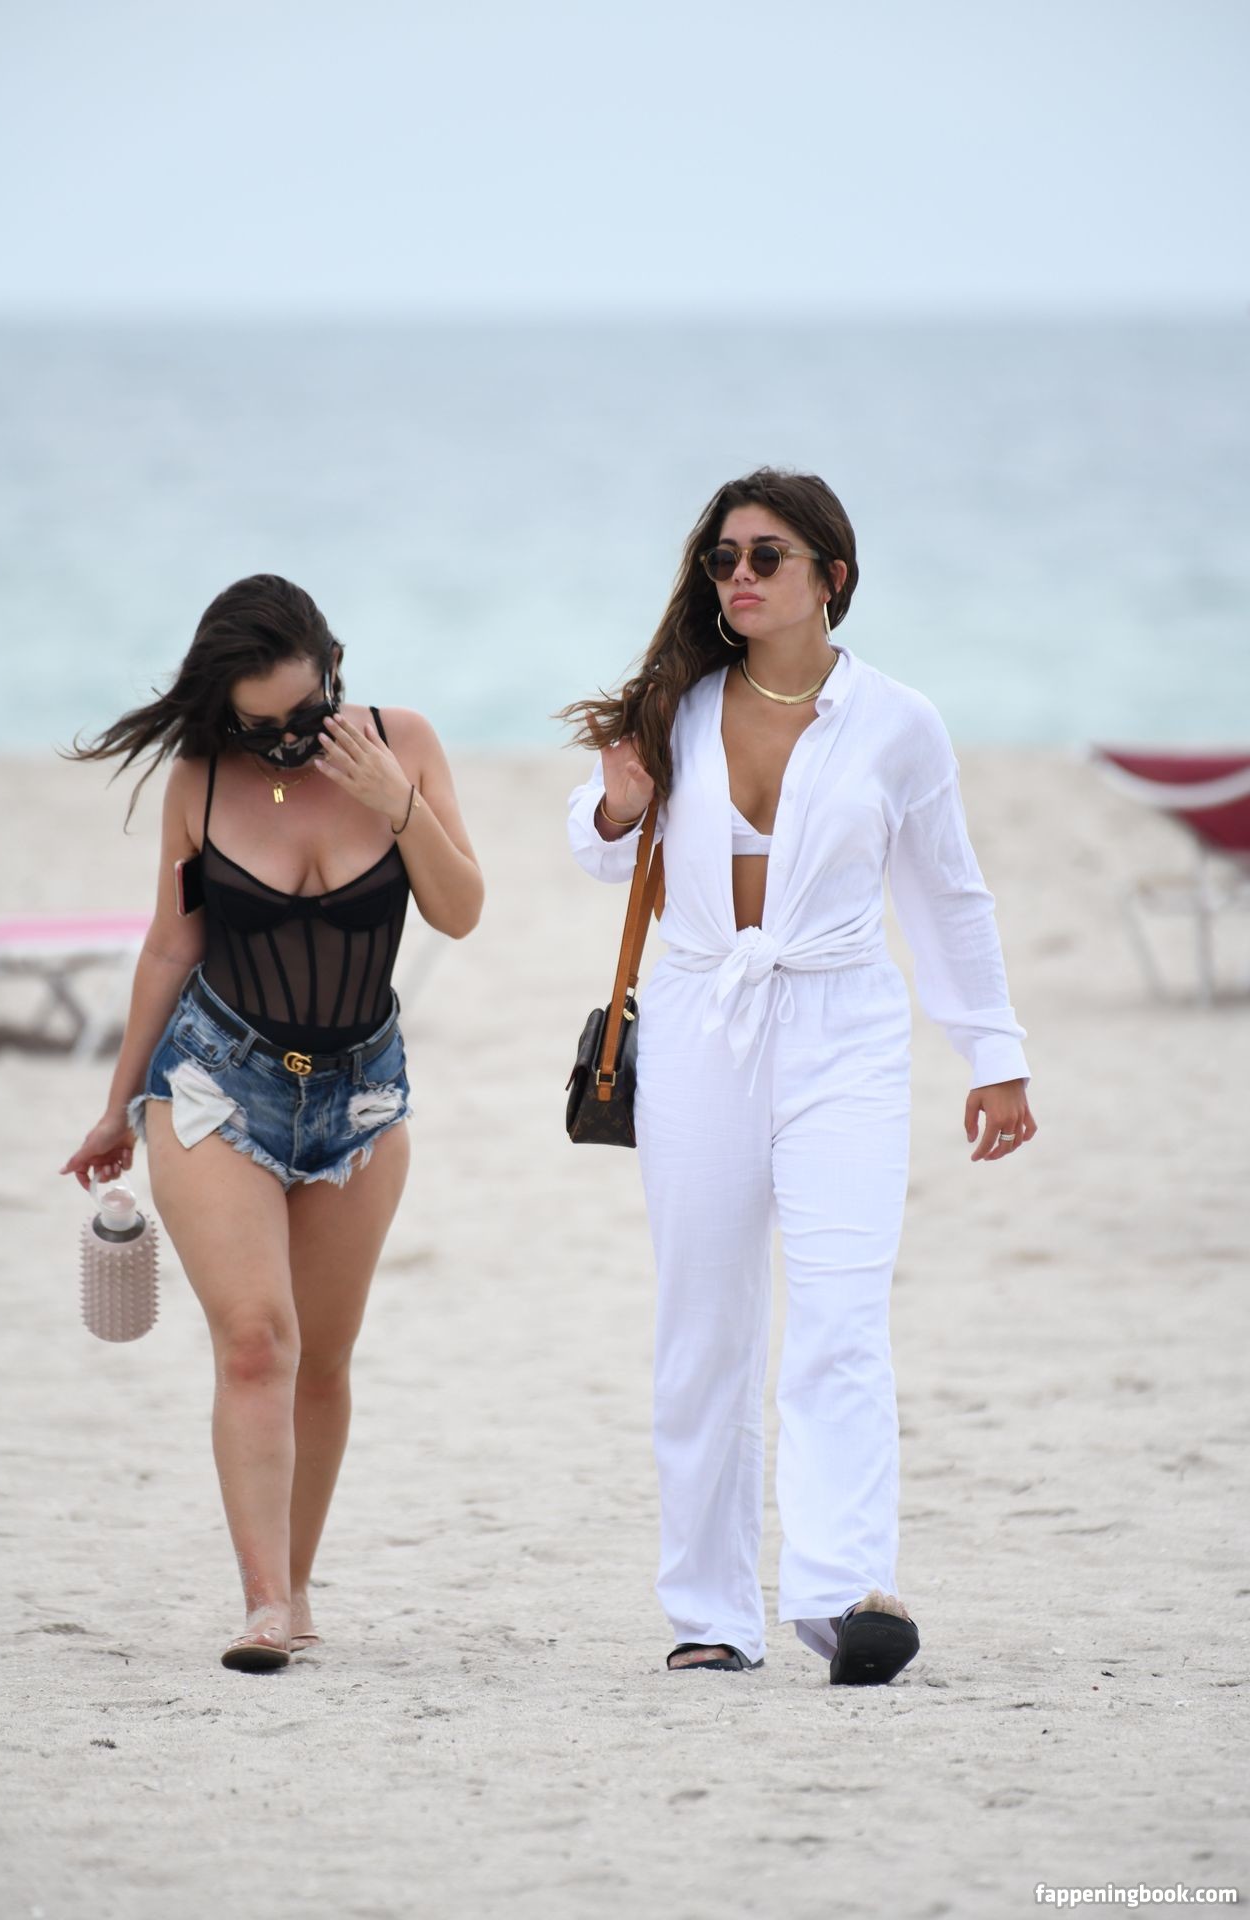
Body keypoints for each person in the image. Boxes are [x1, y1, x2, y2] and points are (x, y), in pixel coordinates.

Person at [561, 469, 1035, 1685]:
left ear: (831, 574)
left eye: (764, 556)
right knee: (702, 1323)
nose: (738, 577)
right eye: (722, 558)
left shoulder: (897, 722)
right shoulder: (676, 704)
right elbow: (596, 848)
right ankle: (708, 1614)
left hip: (843, 1024)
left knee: (839, 1308)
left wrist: (992, 1055)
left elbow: (947, 894)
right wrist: (615, 807)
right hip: (697, 1019)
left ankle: (840, 1594)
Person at [60, 575, 483, 1671]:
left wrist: (397, 801)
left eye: (306, 714)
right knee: (256, 1342)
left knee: (323, 1362)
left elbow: (460, 911)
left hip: (362, 1096)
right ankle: (258, 1607)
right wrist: (116, 1105)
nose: (290, 744)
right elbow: (173, 943)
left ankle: (295, 1589)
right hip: (214, 1084)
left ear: (334, 669)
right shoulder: (201, 779)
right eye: (262, 728)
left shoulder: (403, 742)